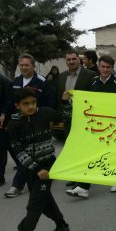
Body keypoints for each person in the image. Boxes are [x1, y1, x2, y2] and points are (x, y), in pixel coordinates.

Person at [8, 87, 71, 231]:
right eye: (26, 103)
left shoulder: (46, 112)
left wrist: (65, 102)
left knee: (35, 203)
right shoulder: (13, 123)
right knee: (44, 198)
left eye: (33, 102)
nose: (31, 106)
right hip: (31, 169)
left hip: (48, 164)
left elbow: (66, 117)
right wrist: (37, 169)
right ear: (17, 106)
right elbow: (19, 152)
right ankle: (61, 224)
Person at [65, 55, 116, 198]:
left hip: (114, 125)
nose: (105, 70)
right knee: (90, 155)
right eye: (103, 67)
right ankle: (83, 187)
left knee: (114, 153)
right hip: (97, 125)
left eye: (108, 67)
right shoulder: (92, 82)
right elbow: (86, 101)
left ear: (112, 68)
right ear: (98, 67)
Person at [4, 54, 56, 198]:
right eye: (21, 65)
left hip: (37, 122)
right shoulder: (15, 81)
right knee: (30, 153)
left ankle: (17, 185)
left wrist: (49, 120)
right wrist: (4, 114)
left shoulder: (41, 82)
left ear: (33, 66)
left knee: (27, 153)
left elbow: (50, 101)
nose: (24, 67)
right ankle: (49, 167)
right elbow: (10, 102)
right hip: (19, 123)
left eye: (27, 65)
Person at [0, 74, 12, 187]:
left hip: (4, 121)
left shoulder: (5, 81)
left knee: (5, 148)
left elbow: (9, 101)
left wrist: (4, 113)